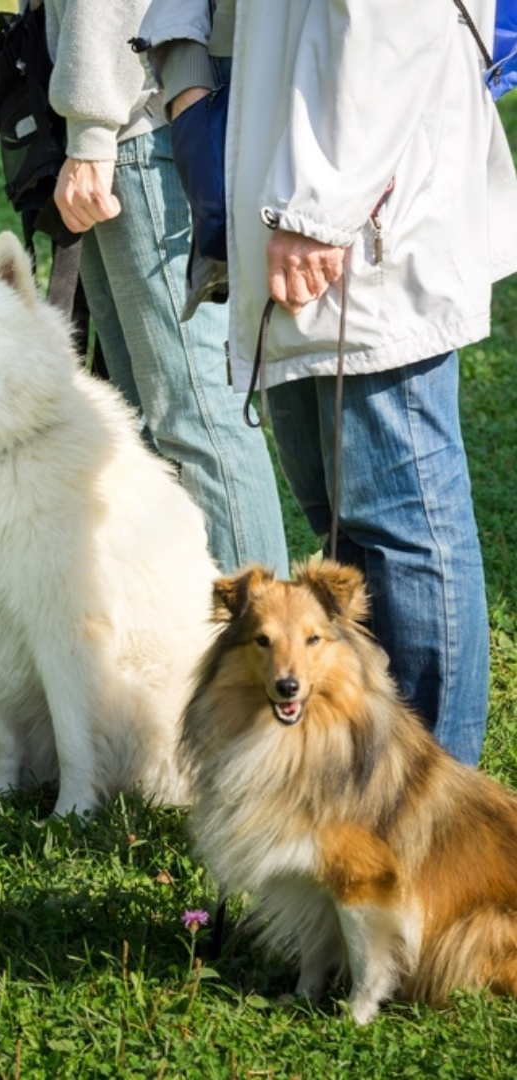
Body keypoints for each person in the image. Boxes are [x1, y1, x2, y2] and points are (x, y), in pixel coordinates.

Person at [138, 0, 517, 765]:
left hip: (354, 210)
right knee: (344, 528)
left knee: (400, 525)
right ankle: (360, 787)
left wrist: (320, 207)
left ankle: (429, 815)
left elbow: (391, 19)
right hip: (287, 197)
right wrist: (187, 91)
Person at [42, 0, 288, 578]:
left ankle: (261, 649)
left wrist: (91, 130)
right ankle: (190, 636)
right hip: (126, 123)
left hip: (135, 126)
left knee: (195, 416)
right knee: (143, 419)